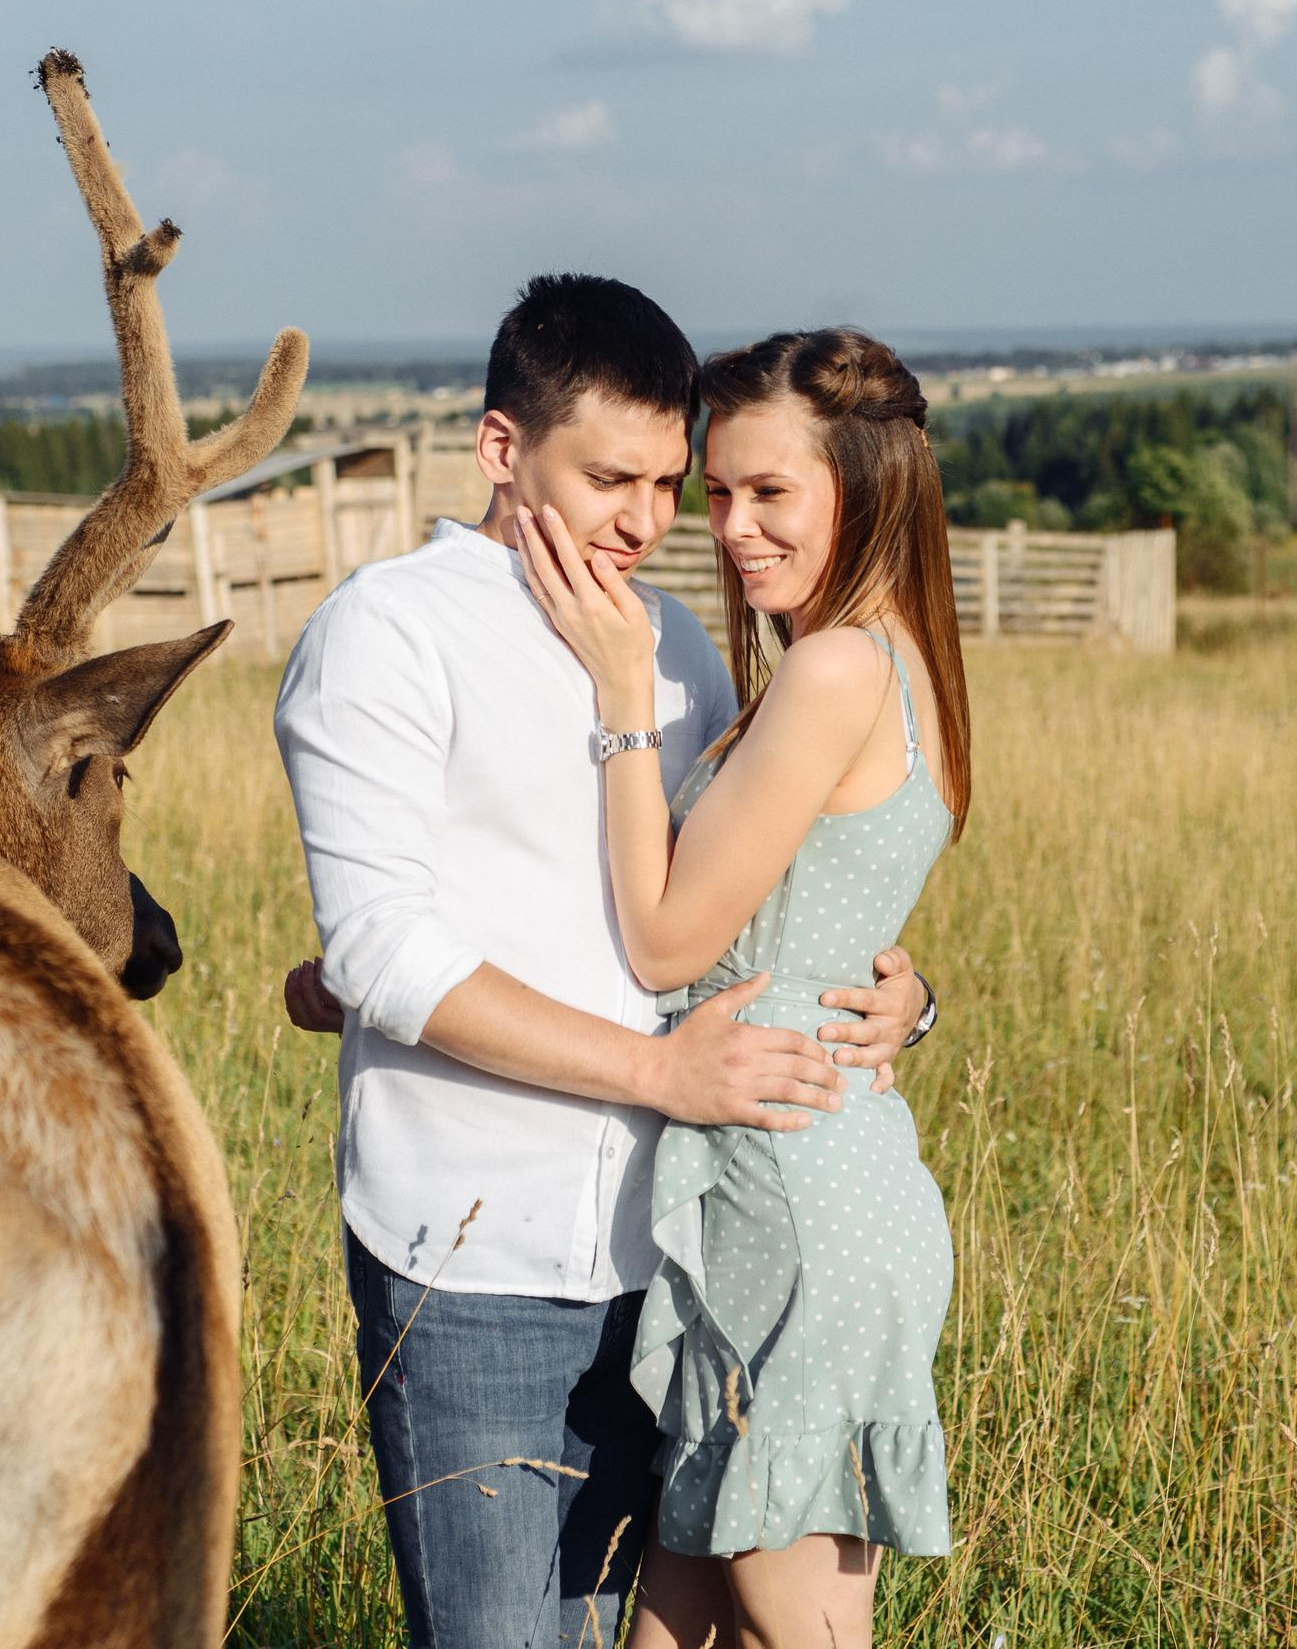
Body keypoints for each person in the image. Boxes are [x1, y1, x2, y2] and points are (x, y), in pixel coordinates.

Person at [270, 276, 936, 1649]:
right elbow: (393, 944)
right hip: (478, 1264)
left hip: (683, 1257)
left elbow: (742, 908)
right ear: (502, 449)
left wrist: (902, 995)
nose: (647, 520)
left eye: (664, 481)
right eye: (610, 477)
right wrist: (647, 1065)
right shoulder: (387, 635)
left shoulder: (680, 650)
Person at [516, 326, 970, 1649]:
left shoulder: (832, 672)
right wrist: (917, 996)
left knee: (794, 1634)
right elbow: (842, 919)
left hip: (788, 1196)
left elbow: (664, 945)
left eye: (770, 492)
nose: (728, 526)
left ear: (865, 483)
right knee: (679, 1625)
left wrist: (615, 694)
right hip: (805, 1164)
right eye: (718, 491)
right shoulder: (897, 659)